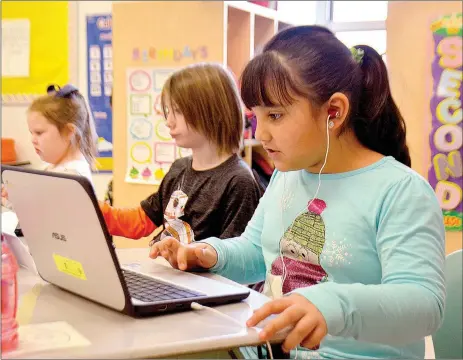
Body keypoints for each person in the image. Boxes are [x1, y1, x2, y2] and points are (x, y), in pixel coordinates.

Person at [149, 26, 446, 359]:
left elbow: (424, 305)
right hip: (270, 348)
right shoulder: (288, 175)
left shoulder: (400, 192)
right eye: (256, 117)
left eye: (275, 115)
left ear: (334, 111)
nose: (261, 134)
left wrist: (332, 304)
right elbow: (256, 252)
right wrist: (208, 254)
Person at [100, 63, 263, 244]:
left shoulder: (239, 182)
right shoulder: (179, 169)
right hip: (163, 270)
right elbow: (142, 220)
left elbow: (233, 259)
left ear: (212, 111)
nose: (169, 122)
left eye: (177, 111)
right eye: (168, 111)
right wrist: (95, 209)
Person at [2, 84, 97, 207]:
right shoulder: (51, 168)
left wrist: (13, 202)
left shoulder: (72, 179)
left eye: (39, 133)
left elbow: (38, 215)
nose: (33, 140)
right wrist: (13, 196)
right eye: (32, 133)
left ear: (69, 132)